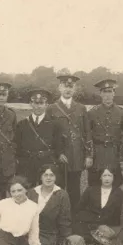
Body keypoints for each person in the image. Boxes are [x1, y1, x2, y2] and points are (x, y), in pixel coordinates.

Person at [47, 74, 91, 216]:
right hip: (58, 157)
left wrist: (88, 155)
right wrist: (58, 153)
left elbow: (87, 133)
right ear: (59, 88)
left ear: (75, 89)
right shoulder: (52, 108)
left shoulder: (81, 108)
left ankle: (74, 220)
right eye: (65, 86)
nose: (68, 89)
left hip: (76, 155)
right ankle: (57, 219)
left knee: (74, 190)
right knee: (57, 190)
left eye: (71, 87)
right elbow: (49, 135)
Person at [15, 89, 64, 186]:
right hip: (27, 165)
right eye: (35, 103)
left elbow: (58, 146)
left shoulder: (54, 124)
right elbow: (18, 146)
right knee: (28, 193)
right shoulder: (22, 124)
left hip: (46, 163)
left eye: (41, 103)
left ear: (46, 105)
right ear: (31, 104)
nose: (38, 106)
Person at [87, 79, 123, 188]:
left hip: (114, 153)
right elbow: (87, 135)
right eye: (105, 92)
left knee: (115, 183)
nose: (107, 95)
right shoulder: (92, 113)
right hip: (97, 153)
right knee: (94, 183)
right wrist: (89, 155)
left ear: (114, 93)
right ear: (100, 94)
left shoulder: (122, 113)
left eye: (110, 91)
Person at [72, 168, 123, 244]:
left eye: (109, 176)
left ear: (113, 178)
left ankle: (99, 238)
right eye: (104, 176)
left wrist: (104, 226)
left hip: (108, 225)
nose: (107, 178)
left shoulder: (119, 193)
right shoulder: (90, 190)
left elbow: (117, 214)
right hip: (91, 223)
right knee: (78, 229)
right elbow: (80, 208)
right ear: (100, 177)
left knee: (116, 234)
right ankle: (94, 238)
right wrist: (93, 223)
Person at [26, 164, 72, 245]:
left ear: (56, 177)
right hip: (31, 231)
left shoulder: (62, 195)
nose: (48, 178)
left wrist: (66, 238)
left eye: (52, 175)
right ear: (41, 177)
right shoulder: (32, 192)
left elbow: (65, 220)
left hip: (50, 233)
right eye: (45, 175)